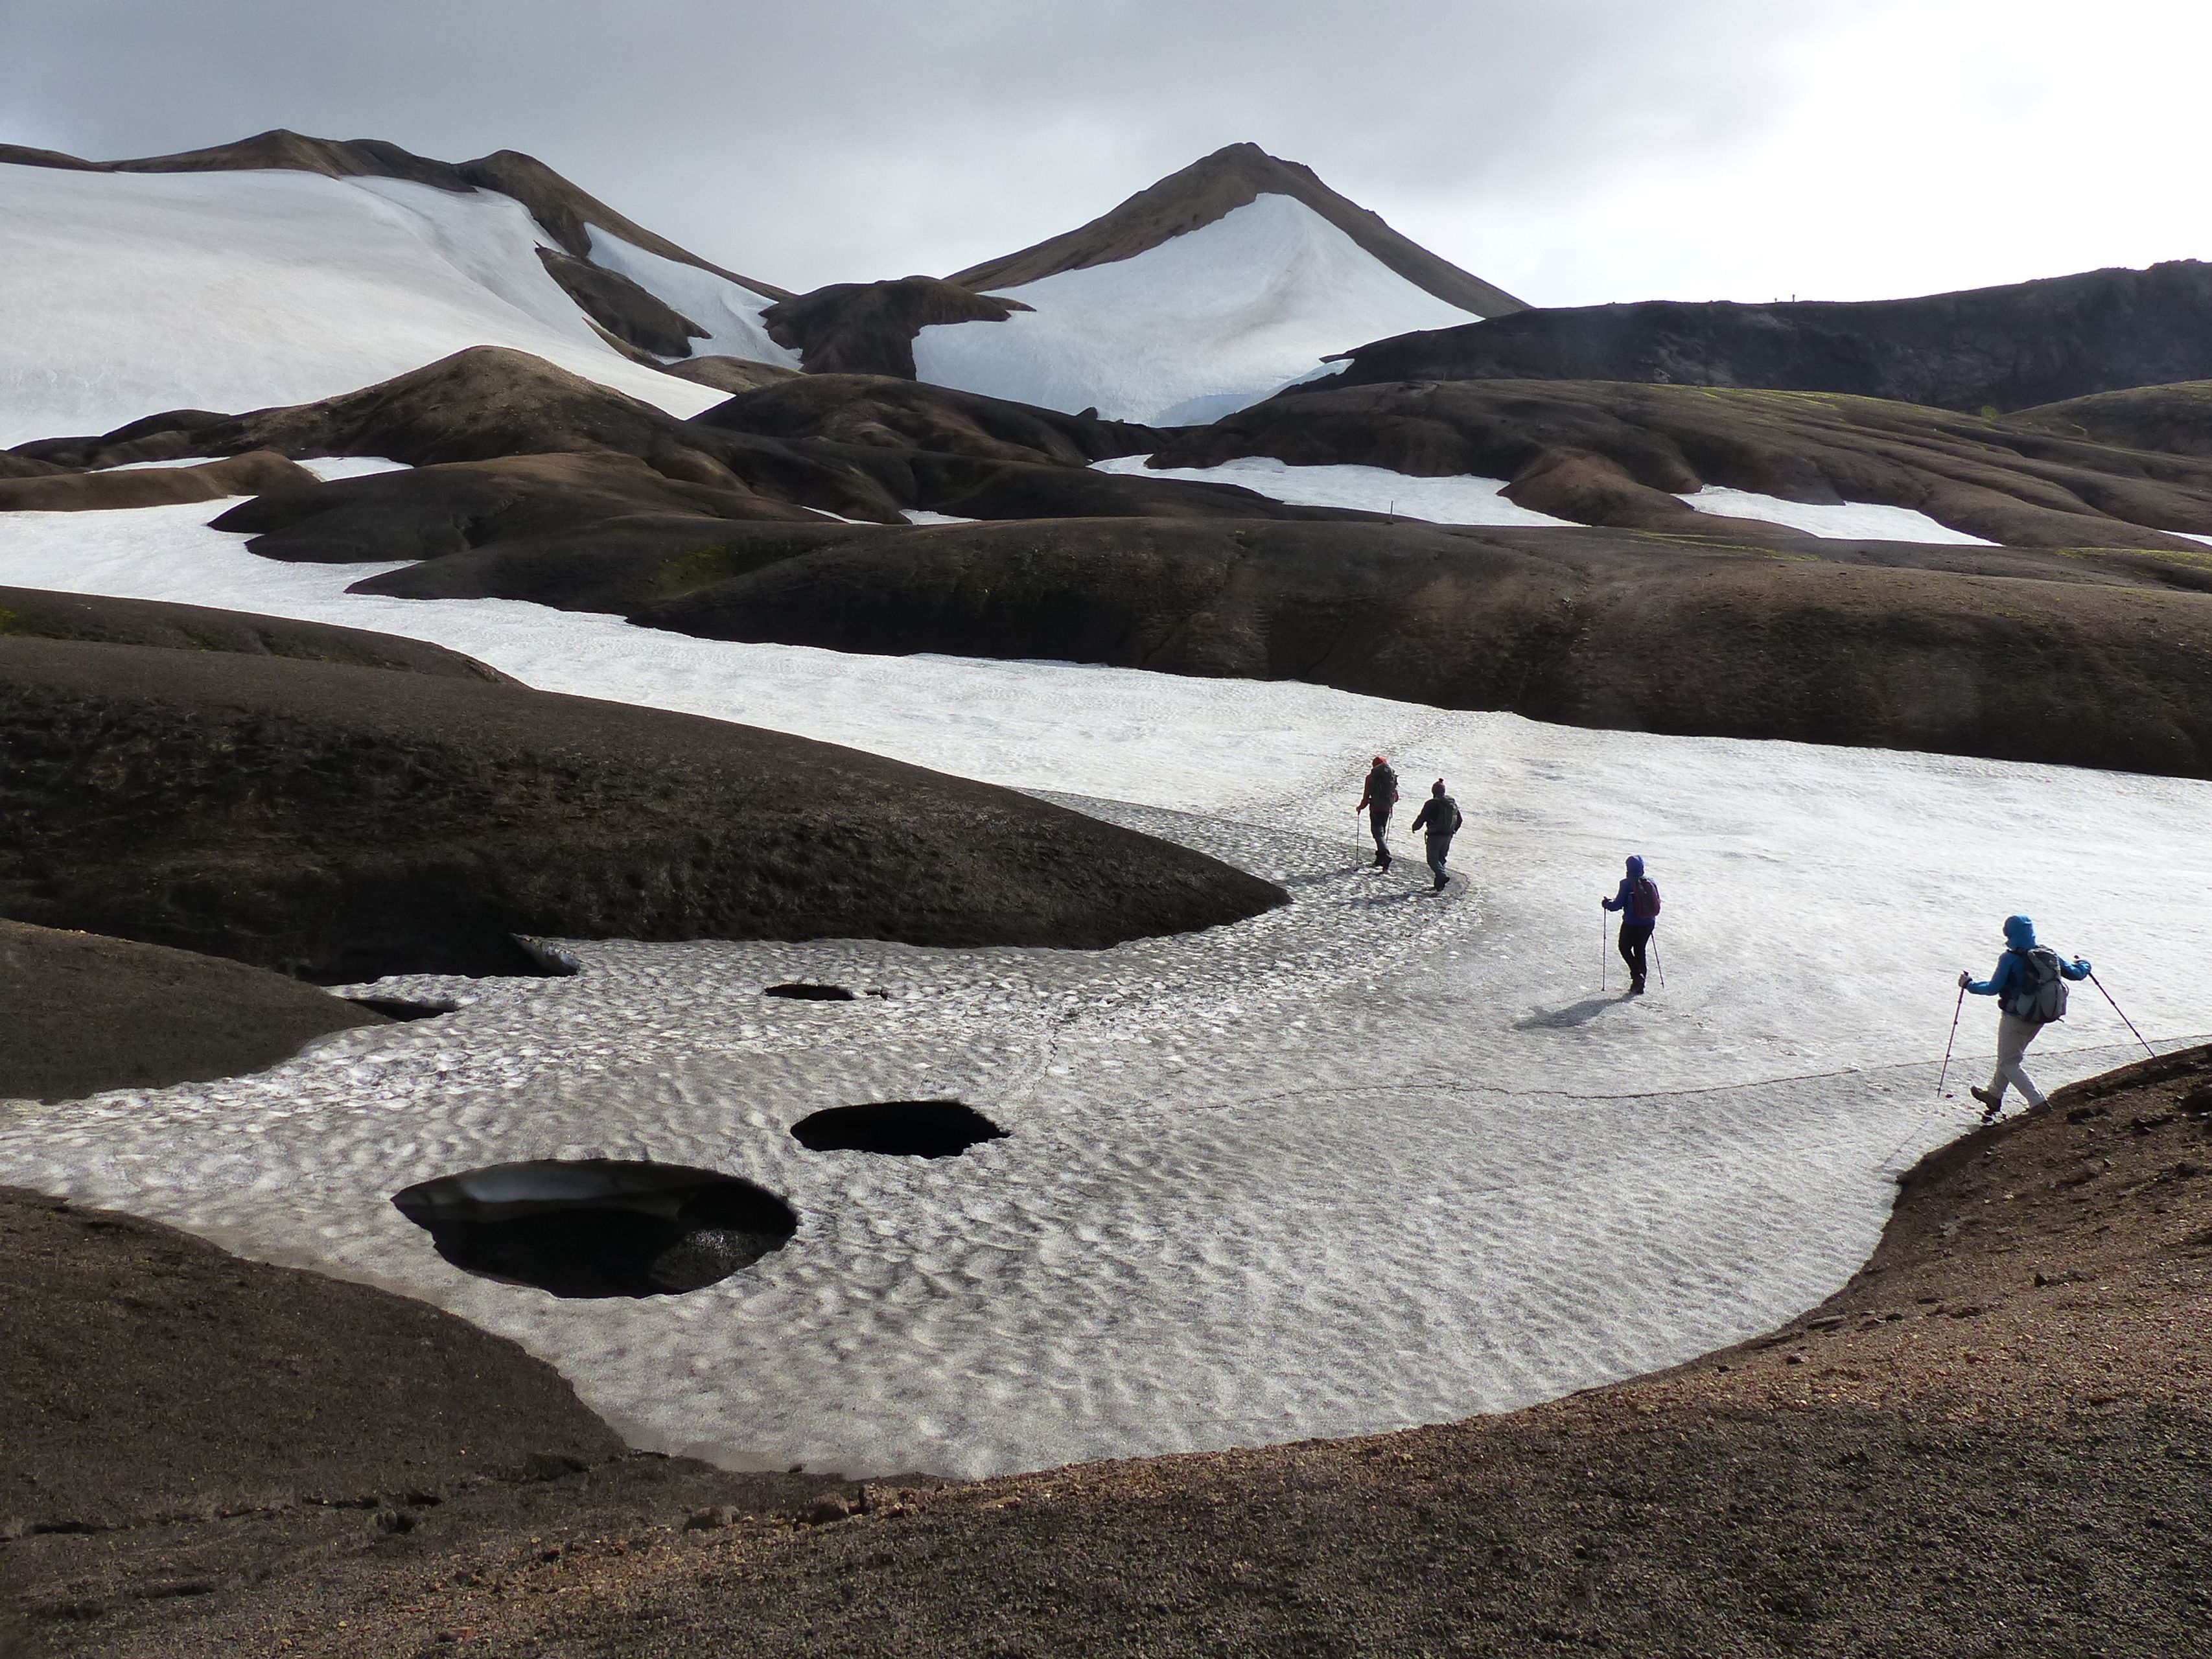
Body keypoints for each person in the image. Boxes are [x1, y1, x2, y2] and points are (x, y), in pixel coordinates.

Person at [1959, 914, 2091, 1120]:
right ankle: (1994, 1095)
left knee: (2008, 1062)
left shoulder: (2010, 958)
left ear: (2009, 933)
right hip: (2041, 1016)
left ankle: (2037, 1102)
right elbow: (2076, 973)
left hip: (2016, 1017)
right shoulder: (2048, 954)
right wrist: (2085, 965)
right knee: (2009, 1057)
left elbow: (1993, 988)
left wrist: (1969, 985)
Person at [1600, 855, 1660, 994]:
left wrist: (1606, 904)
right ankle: (1640, 985)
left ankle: (1637, 975)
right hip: (1649, 923)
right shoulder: (1651, 881)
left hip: (1632, 923)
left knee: (1624, 948)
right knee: (1640, 950)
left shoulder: (1626, 883)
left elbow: (1617, 905)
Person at [1408, 778, 1463, 892]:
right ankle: (1439, 885)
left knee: (1432, 859)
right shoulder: (1452, 803)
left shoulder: (1431, 804)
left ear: (1433, 791)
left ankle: (1442, 876)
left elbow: (1422, 818)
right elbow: (1460, 820)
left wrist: (1415, 827)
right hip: (1448, 836)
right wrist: (1453, 831)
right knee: (1441, 859)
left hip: (1435, 835)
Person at [1355, 756, 1399, 869]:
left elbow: (1366, 796)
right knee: (1381, 833)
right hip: (1387, 809)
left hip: (1375, 808)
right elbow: (1396, 797)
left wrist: (1361, 807)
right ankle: (1380, 859)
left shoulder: (1371, 777)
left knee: (1377, 832)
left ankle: (1385, 854)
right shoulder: (1391, 777)